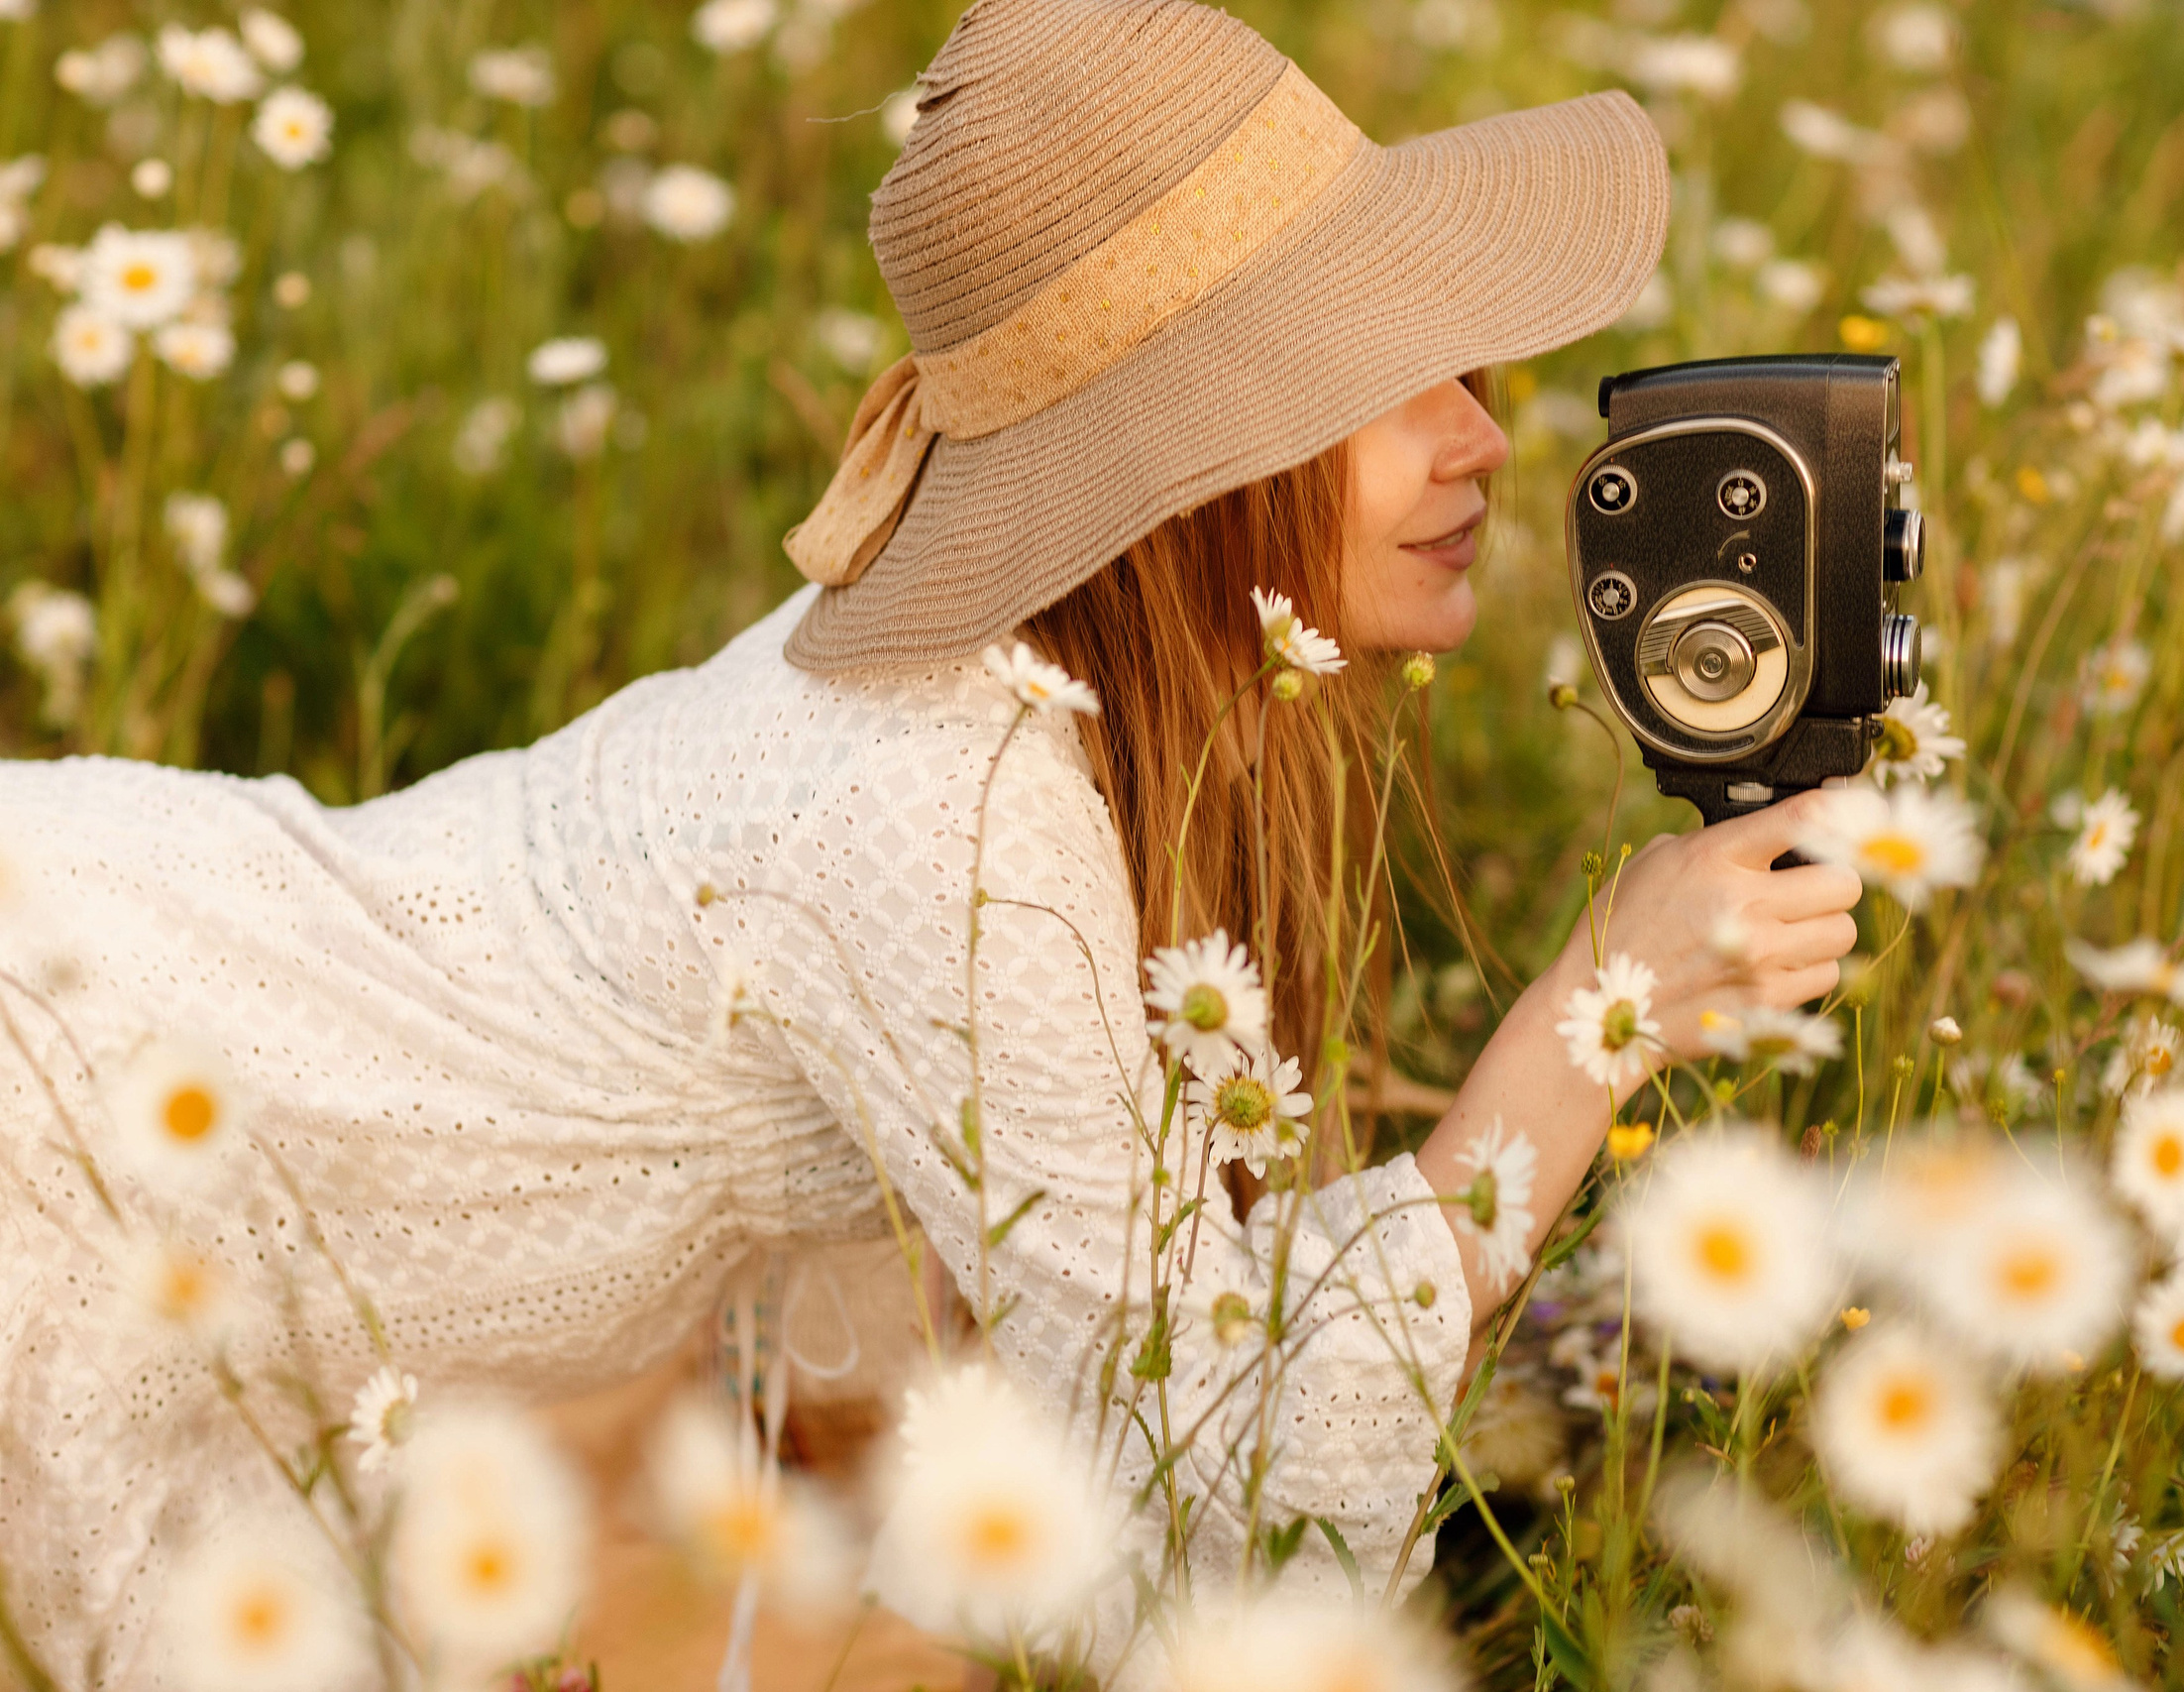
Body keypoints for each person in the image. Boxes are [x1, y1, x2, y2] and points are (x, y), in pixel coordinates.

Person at [0, 0, 1861, 1679]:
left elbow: (1089, 1362)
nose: (1476, 436)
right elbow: (1205, 1457)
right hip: (63, 1078)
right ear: (1193, 457)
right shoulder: (939, 802)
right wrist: (1586, 1020)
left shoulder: (1050, 725)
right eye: (1377, 377)